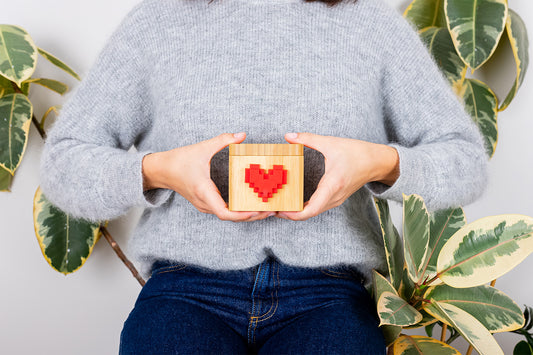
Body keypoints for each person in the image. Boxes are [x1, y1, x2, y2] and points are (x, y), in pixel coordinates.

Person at [38, 0, 489, 353]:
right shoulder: (157, 24)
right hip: (185, 288)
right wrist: (160, 170)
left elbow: (465, 160)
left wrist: (376, 163)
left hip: (328, 292)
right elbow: (64, 162)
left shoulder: (370, 25)